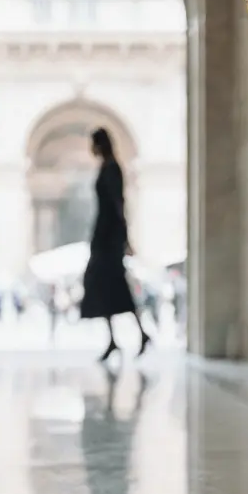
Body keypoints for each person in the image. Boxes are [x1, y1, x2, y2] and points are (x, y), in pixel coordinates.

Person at [80, 127, 150, 361]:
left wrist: (125, 237)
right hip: (104, 234)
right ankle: (115, 338)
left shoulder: (111, 169)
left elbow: (118, 203)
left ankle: (136, 334)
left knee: (111, 285)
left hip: (109, 236)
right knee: (107, 286)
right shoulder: (107, 167)